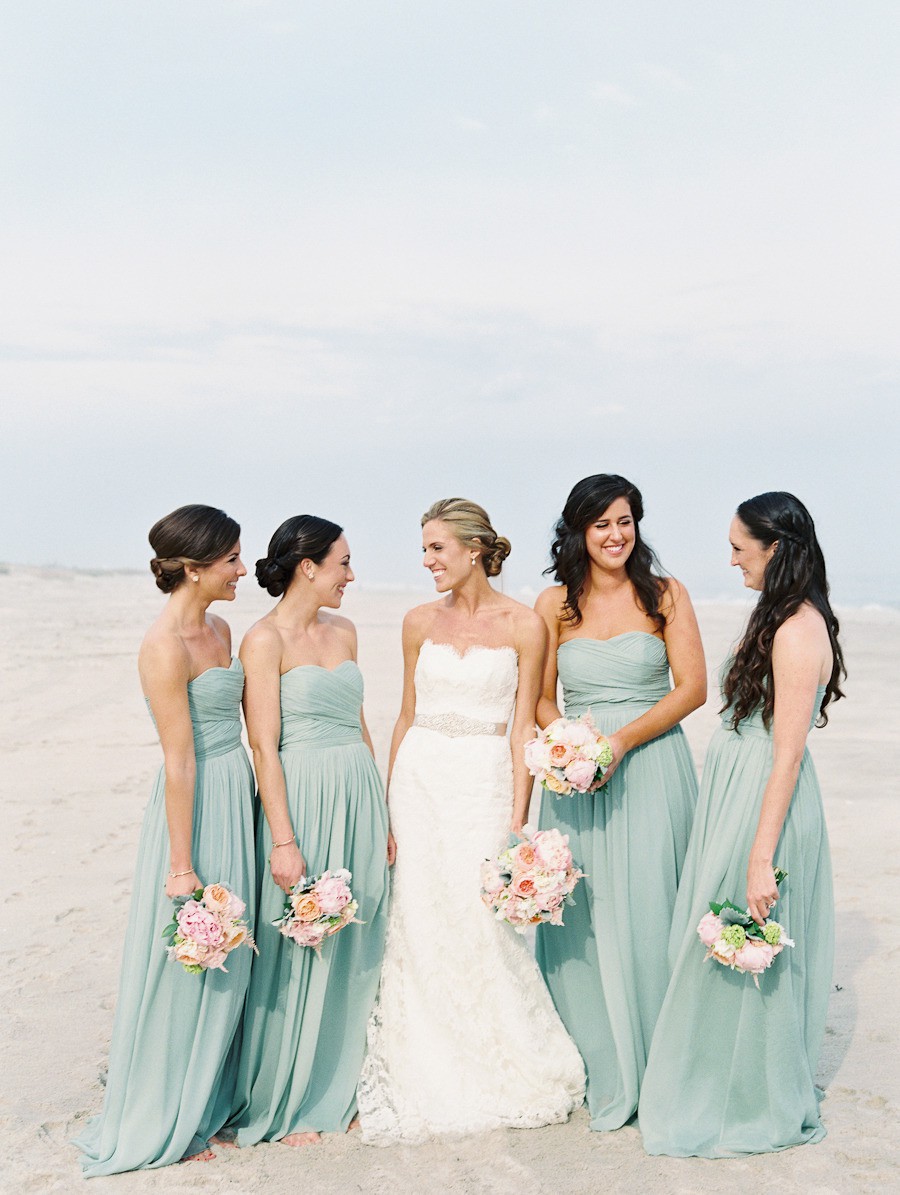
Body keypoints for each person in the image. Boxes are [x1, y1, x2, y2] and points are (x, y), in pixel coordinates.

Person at [357, 498, 584, 1145]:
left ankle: (503, 1054)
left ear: (475, 548)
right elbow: (404, 714)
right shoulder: (415, 621)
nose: (426, 560)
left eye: (436, 548)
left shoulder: (523, 625)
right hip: (420, 780)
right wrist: (387, 804)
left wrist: (518, 819)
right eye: (424, 548)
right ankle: (423, 1049)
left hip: (484, 783)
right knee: (421, 915)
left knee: (483, 921)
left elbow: (523, 726)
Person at [639, 491, 844, 1157]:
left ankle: (749, 1095)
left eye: (739, 547)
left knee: (740, 941)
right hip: (737, 793)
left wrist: (761, 854)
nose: (731, 559)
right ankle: (718, 1076)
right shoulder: (778, 612)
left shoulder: (795, 628)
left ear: (775, 547)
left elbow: (787, 752)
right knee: (716, 940)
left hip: (764, 801)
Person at [75, 505, 255, 1176]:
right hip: (195, 805)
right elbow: (179, 759)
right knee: (192, 950)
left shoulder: (222, 626)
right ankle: (166, 1100)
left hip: (236, 791)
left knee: (234, 952)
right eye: (232, 558)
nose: (242, 569)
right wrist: (181, 866)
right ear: (194, 566)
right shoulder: (162, 645)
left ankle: (212, 1089)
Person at [534, 473, 706, 1131]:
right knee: (585, 913)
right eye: (602, 522)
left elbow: (691, 687)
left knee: (653, 904)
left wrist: (621, 743)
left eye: (625, 520)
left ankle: (663, 1055)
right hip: (577, 777)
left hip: (651, 763)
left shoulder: (664, 594)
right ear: (579, 530)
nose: (615, 534)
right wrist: (573, 744)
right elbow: (543, 695)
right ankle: (599, 1055)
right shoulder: (555, 604)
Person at [229, 515, 389, 1147]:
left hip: (356, 791)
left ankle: (337, 1083)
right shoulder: (263, 641)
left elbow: (360, 724)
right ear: (309, 567)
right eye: (344, 562)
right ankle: (288, 1096)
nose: (351, 574)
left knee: (355, 942)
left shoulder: (345, 629)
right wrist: (284, 840)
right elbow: (263, 745)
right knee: (303, 940)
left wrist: (380, 808)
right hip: (302, 795)